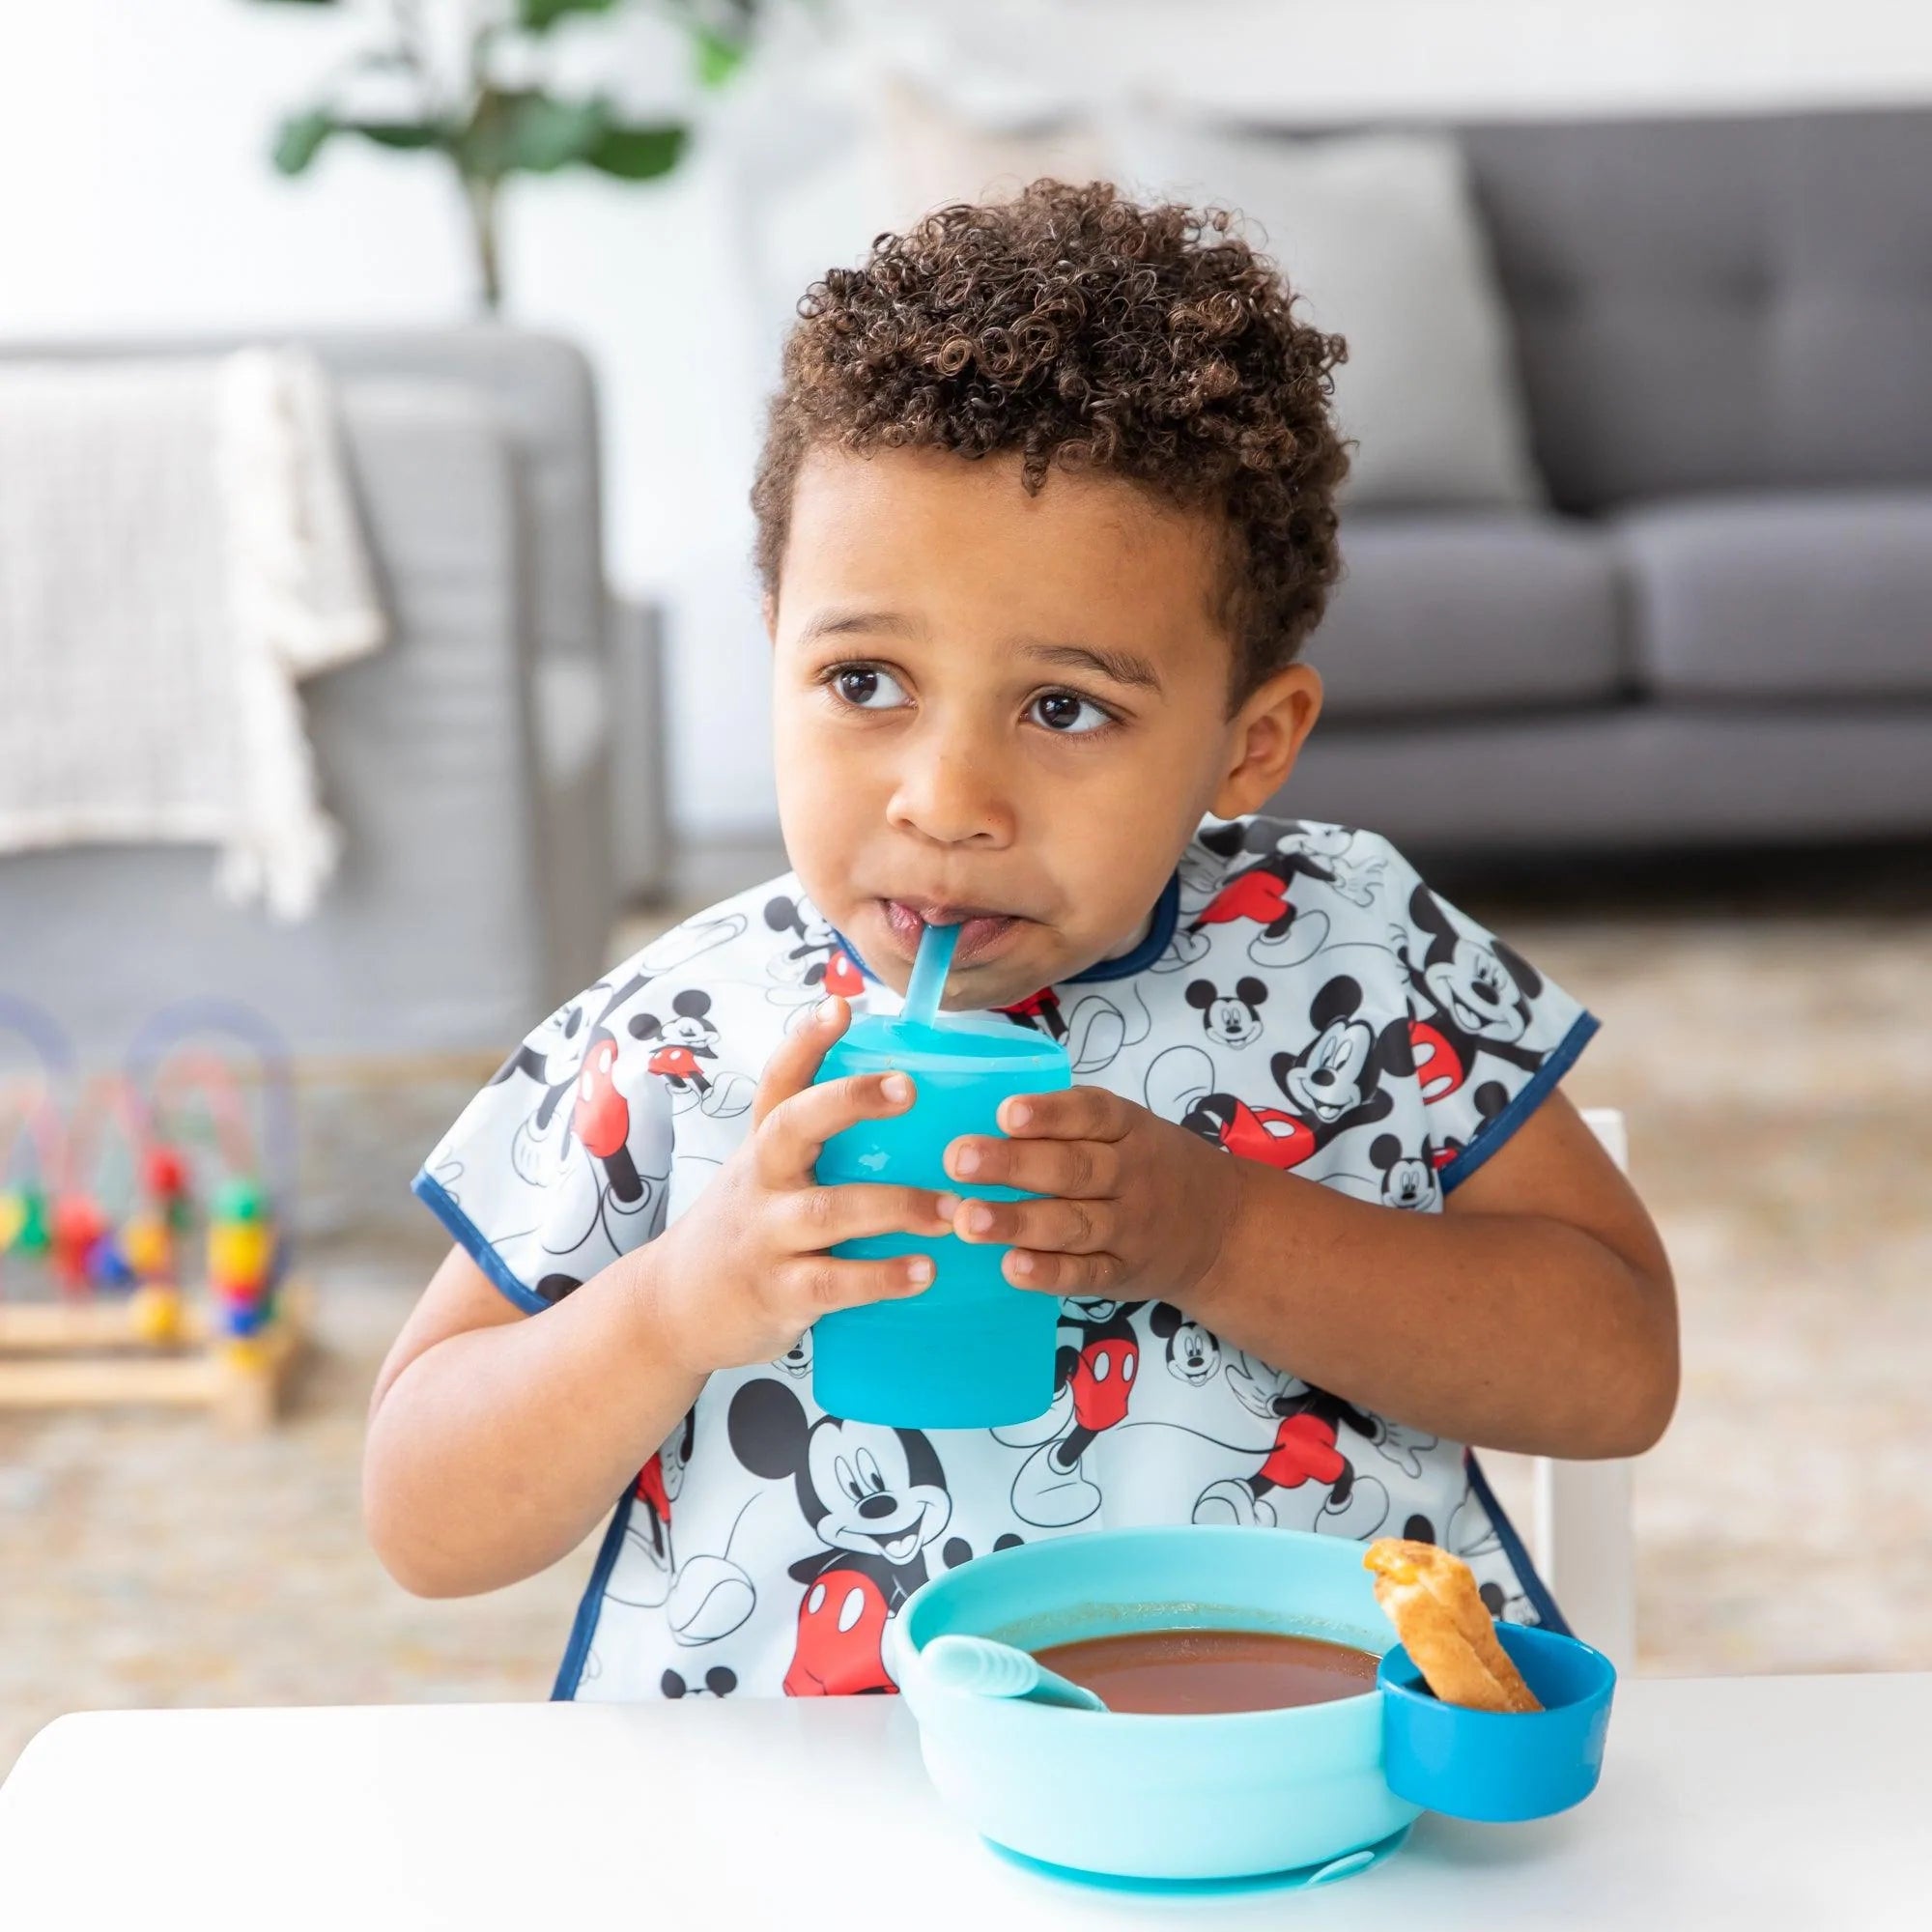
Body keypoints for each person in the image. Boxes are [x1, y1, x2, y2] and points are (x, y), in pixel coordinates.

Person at [365, 183, 1676, 1703]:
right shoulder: (681, 1034)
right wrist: (679, 1300)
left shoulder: (1353, 955)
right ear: (774, 641)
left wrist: (1218, 1233)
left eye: (1065, 709)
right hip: (790, 1833)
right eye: (864, 682)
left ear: (1252, 745)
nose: (947, 802)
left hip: (1288, 1797)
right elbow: (421, 1516)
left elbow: (1617, 1367)